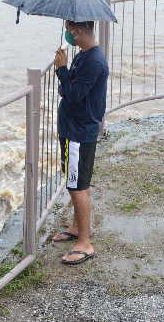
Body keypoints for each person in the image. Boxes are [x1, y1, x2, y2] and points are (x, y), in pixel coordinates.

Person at [51, 20, 109, 265]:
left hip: (79, 132)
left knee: (77, 186)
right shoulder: (83, 56)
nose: (66, 33)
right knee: (75, 182)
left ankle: (85, 242)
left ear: (77, 31)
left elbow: (73, 95)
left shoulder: (94, 61)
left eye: (68, 29)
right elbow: (68, 91)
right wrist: (66, 74)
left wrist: (62, 70)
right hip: (73, 129)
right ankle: (77, 227)